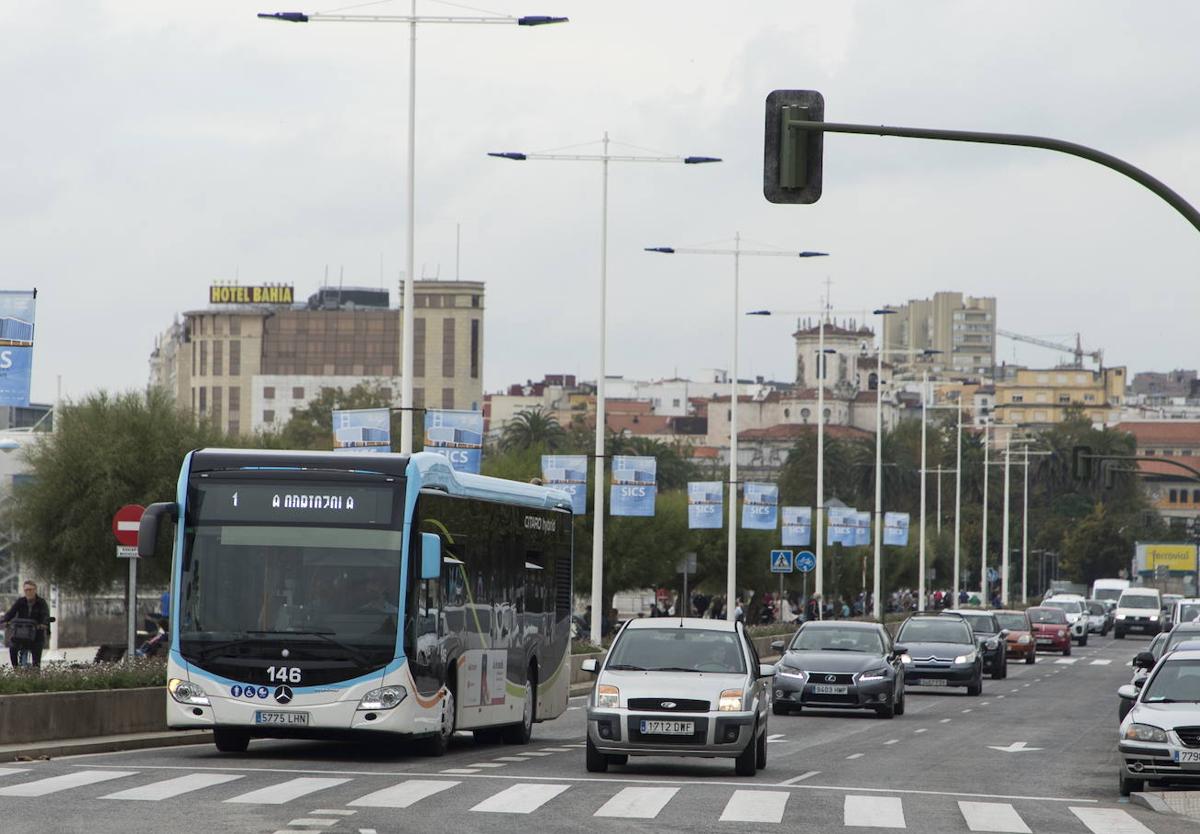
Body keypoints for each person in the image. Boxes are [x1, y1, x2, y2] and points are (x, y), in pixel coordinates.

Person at [2, 581, 51, 669]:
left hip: (36, 634)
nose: (28, 592)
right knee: (12, 648)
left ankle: (36, 674)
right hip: (20, 634)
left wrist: (44, 624)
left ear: (35, 590)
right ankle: (16, 669)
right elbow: (11, 612)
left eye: (30, 589)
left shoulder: (41, 603)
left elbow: (45, 615)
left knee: (36, 659)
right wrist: (5, 620)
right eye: (26, 590)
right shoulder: (20, 601)